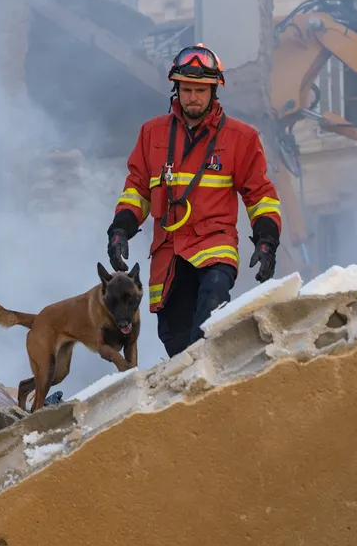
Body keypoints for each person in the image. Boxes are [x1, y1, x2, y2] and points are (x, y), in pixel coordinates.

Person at [105, 44, 284, 358]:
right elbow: (137, 191)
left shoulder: (241, 139)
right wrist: (120, 231)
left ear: (214, 91)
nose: (193, 97)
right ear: (176, 89)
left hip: (214, 247)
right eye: (187, 89)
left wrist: (267, 240)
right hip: (168, 255)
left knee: (211, 316)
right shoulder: (152, 135)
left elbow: (260, 196)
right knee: (177, 344)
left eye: (201, 90)